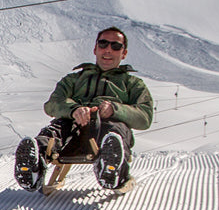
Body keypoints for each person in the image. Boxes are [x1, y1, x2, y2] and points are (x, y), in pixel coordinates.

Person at [14, 27, 154, 191]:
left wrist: (115, 110)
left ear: (123, 53)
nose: (108, 49)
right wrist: (74, 109)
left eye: (115, 46)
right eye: (103, 44)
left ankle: (111, 168)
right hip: (72, 127)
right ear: (95, 49)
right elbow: (52, 104)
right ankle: (34, 164)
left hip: (107, 127)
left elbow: (145, 117)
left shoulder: (133, 84)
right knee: (55, 130)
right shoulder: (74, 79)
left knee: (115, 133)